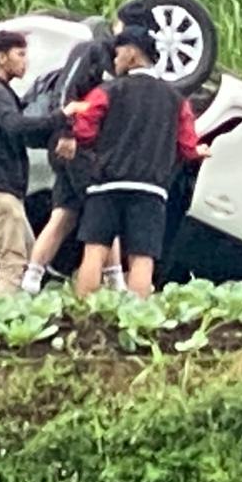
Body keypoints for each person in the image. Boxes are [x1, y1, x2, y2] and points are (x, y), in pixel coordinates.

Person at [19, 0, 155, 294]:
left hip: (87, 145)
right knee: (104, 207)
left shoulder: (126, 67)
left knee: (65, 213)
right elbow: (67, 90)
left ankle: (31, 277)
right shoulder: (91, 51)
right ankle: (116, 281)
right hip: (73, 143)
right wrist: (67, 133)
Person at [72, 26, 210, 298]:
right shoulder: (176, 99)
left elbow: (83, 127)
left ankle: (84, 311)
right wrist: (197, 151)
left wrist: (95, 148)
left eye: (119, 52)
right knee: (142, 256)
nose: (114, 58)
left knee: (95, 249)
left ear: (133, 54)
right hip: (150, 189)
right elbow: (186, 145)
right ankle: (137, 318)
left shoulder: (107, 91)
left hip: (106, 183)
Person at [0, 31, 79, 297]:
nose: (25, 62)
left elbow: (21, 130)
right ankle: (3, 320)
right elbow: (15, 126)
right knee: (16, 259)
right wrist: (60, 116)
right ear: (1, 58)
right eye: (20, 54)